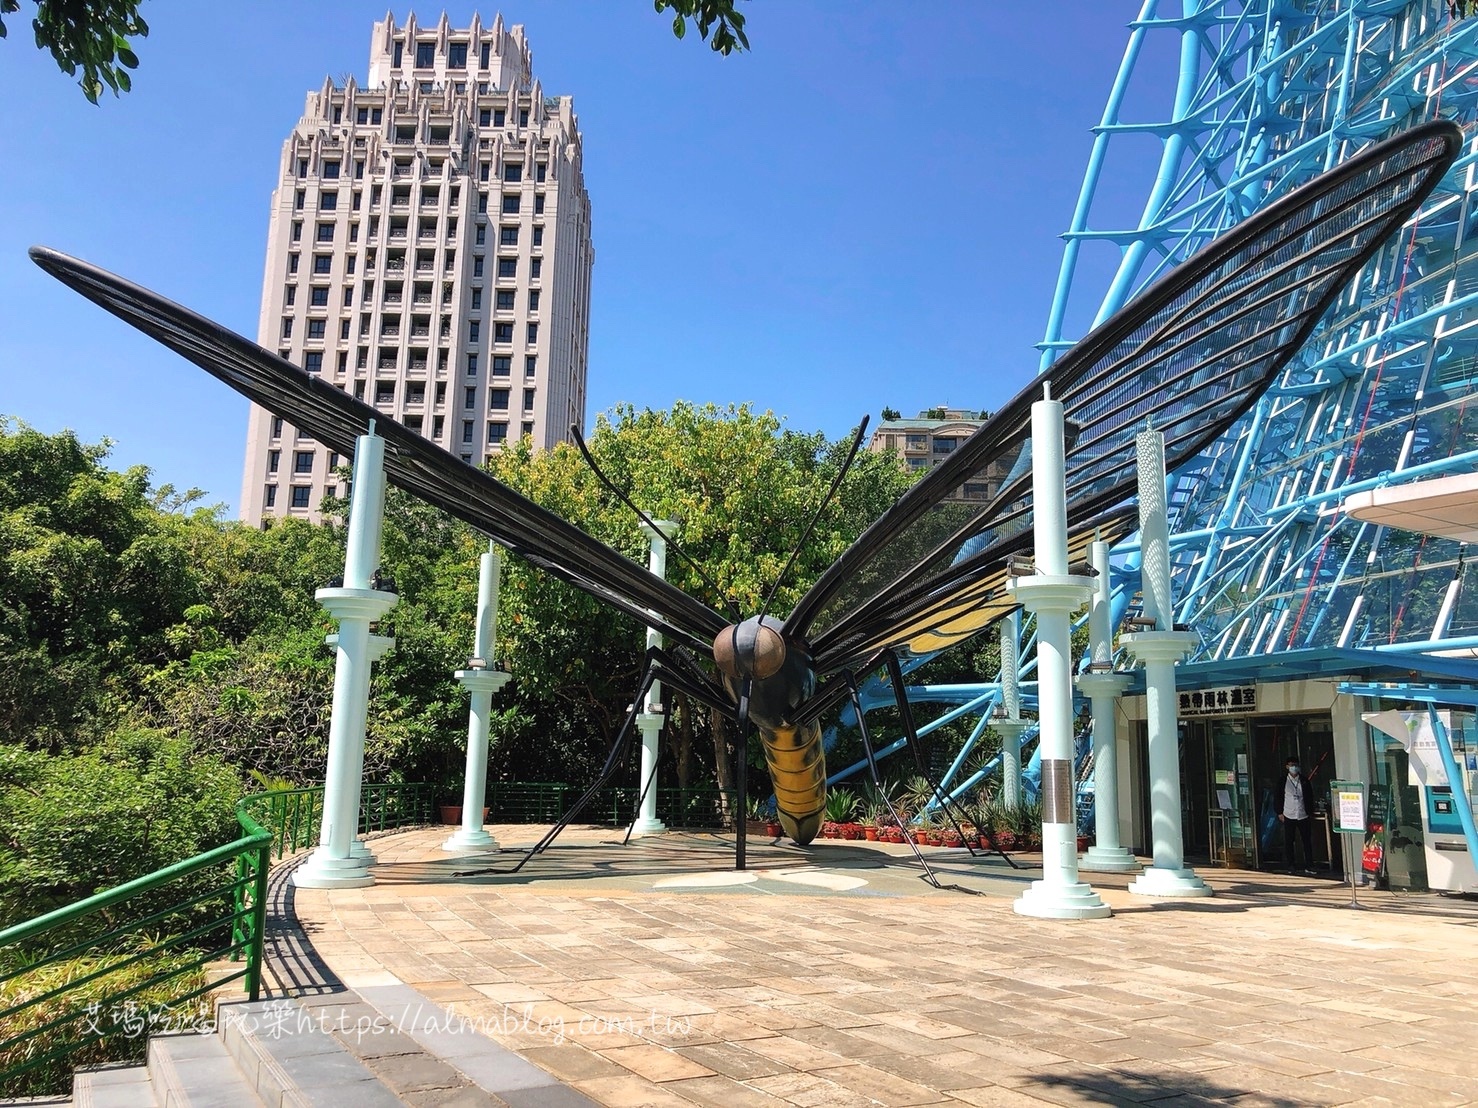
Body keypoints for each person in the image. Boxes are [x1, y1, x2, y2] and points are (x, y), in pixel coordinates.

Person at [1278, 756, 1316, 874]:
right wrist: (1279, 812)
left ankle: (1309, 865)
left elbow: (1310, 796)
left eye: (1295, 765)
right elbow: (1278, 797)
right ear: (1287, 767)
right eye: (1291, 765)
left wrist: (1310, 811)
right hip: (1288, 814)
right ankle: (1290, 865)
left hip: (1303, 814)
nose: (1293, 767)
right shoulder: (1283, 781)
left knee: (1306, 840)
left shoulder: (1304, 780)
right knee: (1289, 840)